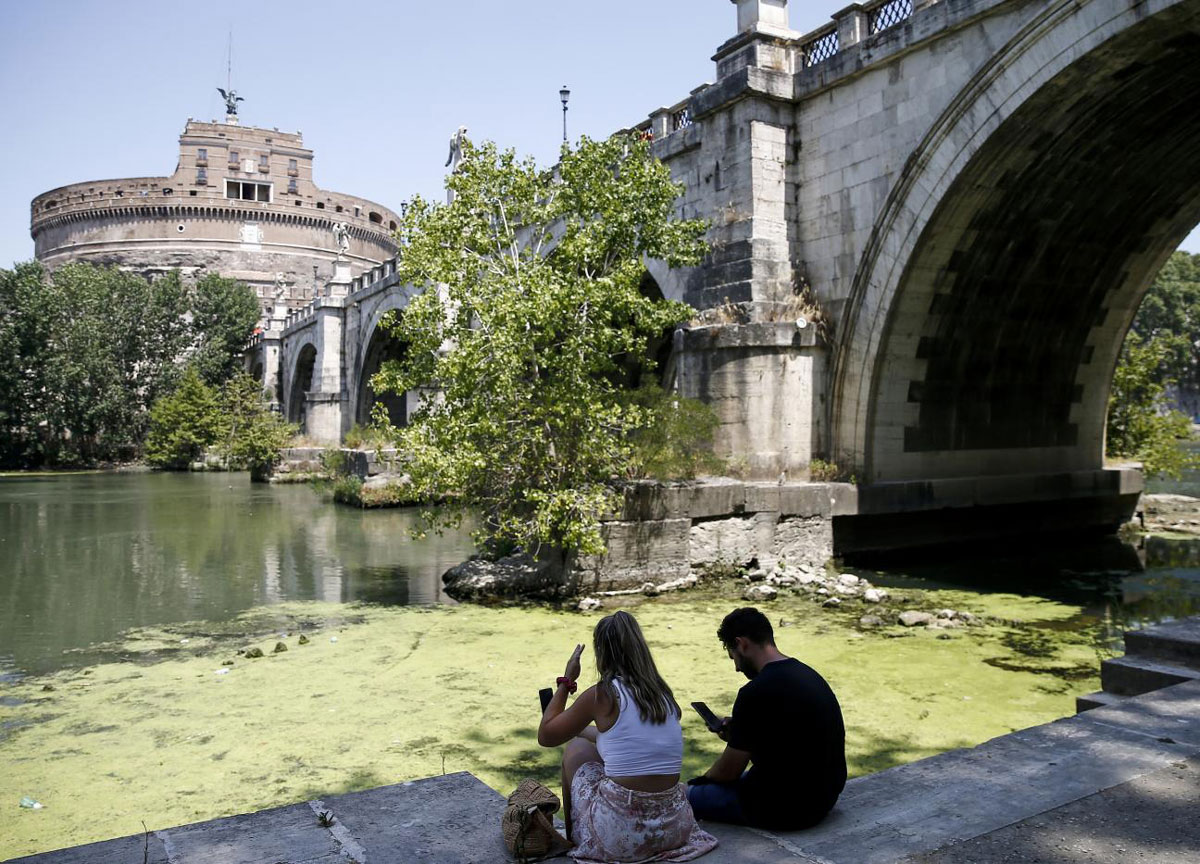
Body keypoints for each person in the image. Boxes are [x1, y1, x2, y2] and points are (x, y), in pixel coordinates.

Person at [538, 610, 718, 863]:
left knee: (575, 750)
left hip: (622, 837)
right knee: (587, 741)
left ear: (602, 652)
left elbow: (546, 736)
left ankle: (578, 839)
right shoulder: (662, 694)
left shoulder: (603, 694)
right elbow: (618, 739)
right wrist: (579, 728)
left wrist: (566, 681)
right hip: (675, 828)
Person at [687, 607, 845, 830]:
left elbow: (726, 773)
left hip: (779, 809)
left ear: (742, 644)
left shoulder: (755, 692)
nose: (736, 668)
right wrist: (741, 731)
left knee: (683, 796)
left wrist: (699, 781)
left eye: (733, 657)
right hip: (823, 800)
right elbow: (792, 738)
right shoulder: (808, 674)